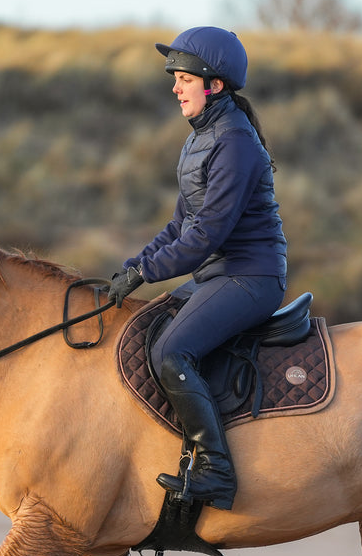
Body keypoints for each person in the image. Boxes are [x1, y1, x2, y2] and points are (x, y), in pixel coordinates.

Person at [108, 26, 288, 511]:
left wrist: (147, 272)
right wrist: (134, 266)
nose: (175, 87)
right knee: (146, 326)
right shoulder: (200, 140)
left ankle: (215, 470)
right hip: (218, 274)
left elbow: (206, 235)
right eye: (175, 78)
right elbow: (180, 224)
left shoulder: (234, 144)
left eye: (184, 78)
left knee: (171, 351)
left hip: (250, 276)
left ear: (215, 85)